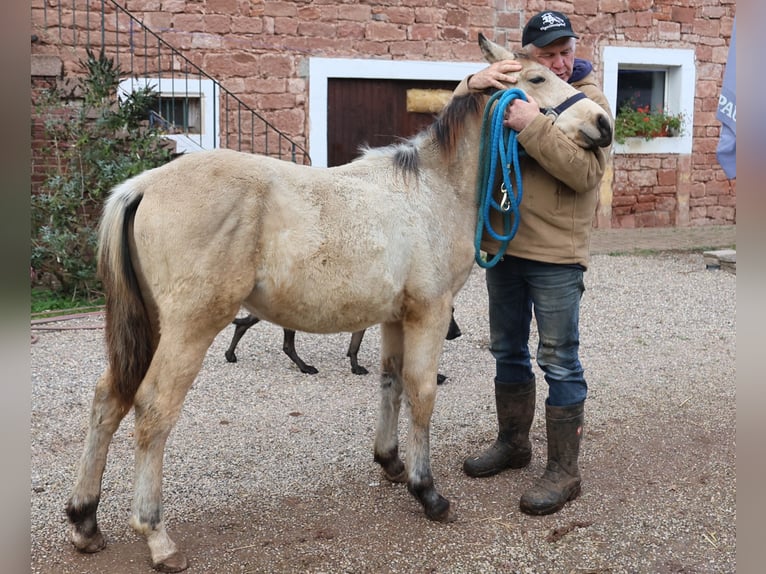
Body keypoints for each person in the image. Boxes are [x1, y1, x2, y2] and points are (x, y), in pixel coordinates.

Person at [453, 11, 612, 515]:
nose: (562, 63)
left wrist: (530, 125)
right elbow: (452, 128)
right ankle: (514, 444)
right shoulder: (512, 84)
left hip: (556, 255)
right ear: (526, 57)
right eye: (548, 55)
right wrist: (469, 85)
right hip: (505, 244)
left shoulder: (589, 101)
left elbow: (585, 174)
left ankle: (565, 472)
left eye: (566, 52)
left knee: (559, 357)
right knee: (506, 350)